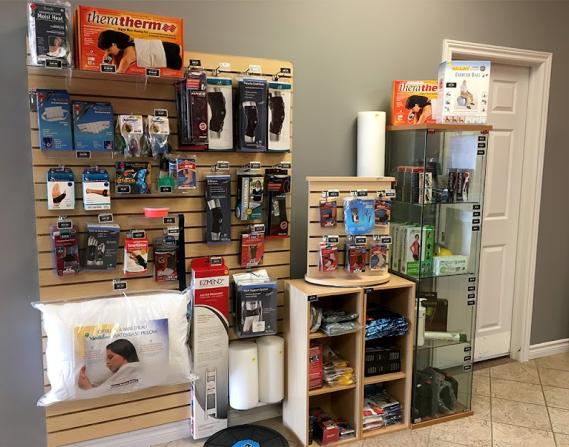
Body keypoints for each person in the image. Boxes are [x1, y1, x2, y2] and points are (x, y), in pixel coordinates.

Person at [97, 30, 183, 74]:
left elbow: (116, 74)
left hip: (165, 57)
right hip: (166, 47)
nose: (107, 52)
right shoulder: (128, 43)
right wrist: (109, 54)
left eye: (108, 50)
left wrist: (108, 60)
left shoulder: (127, 57)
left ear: (114, 44)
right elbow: (109, 64)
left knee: (185, 63)